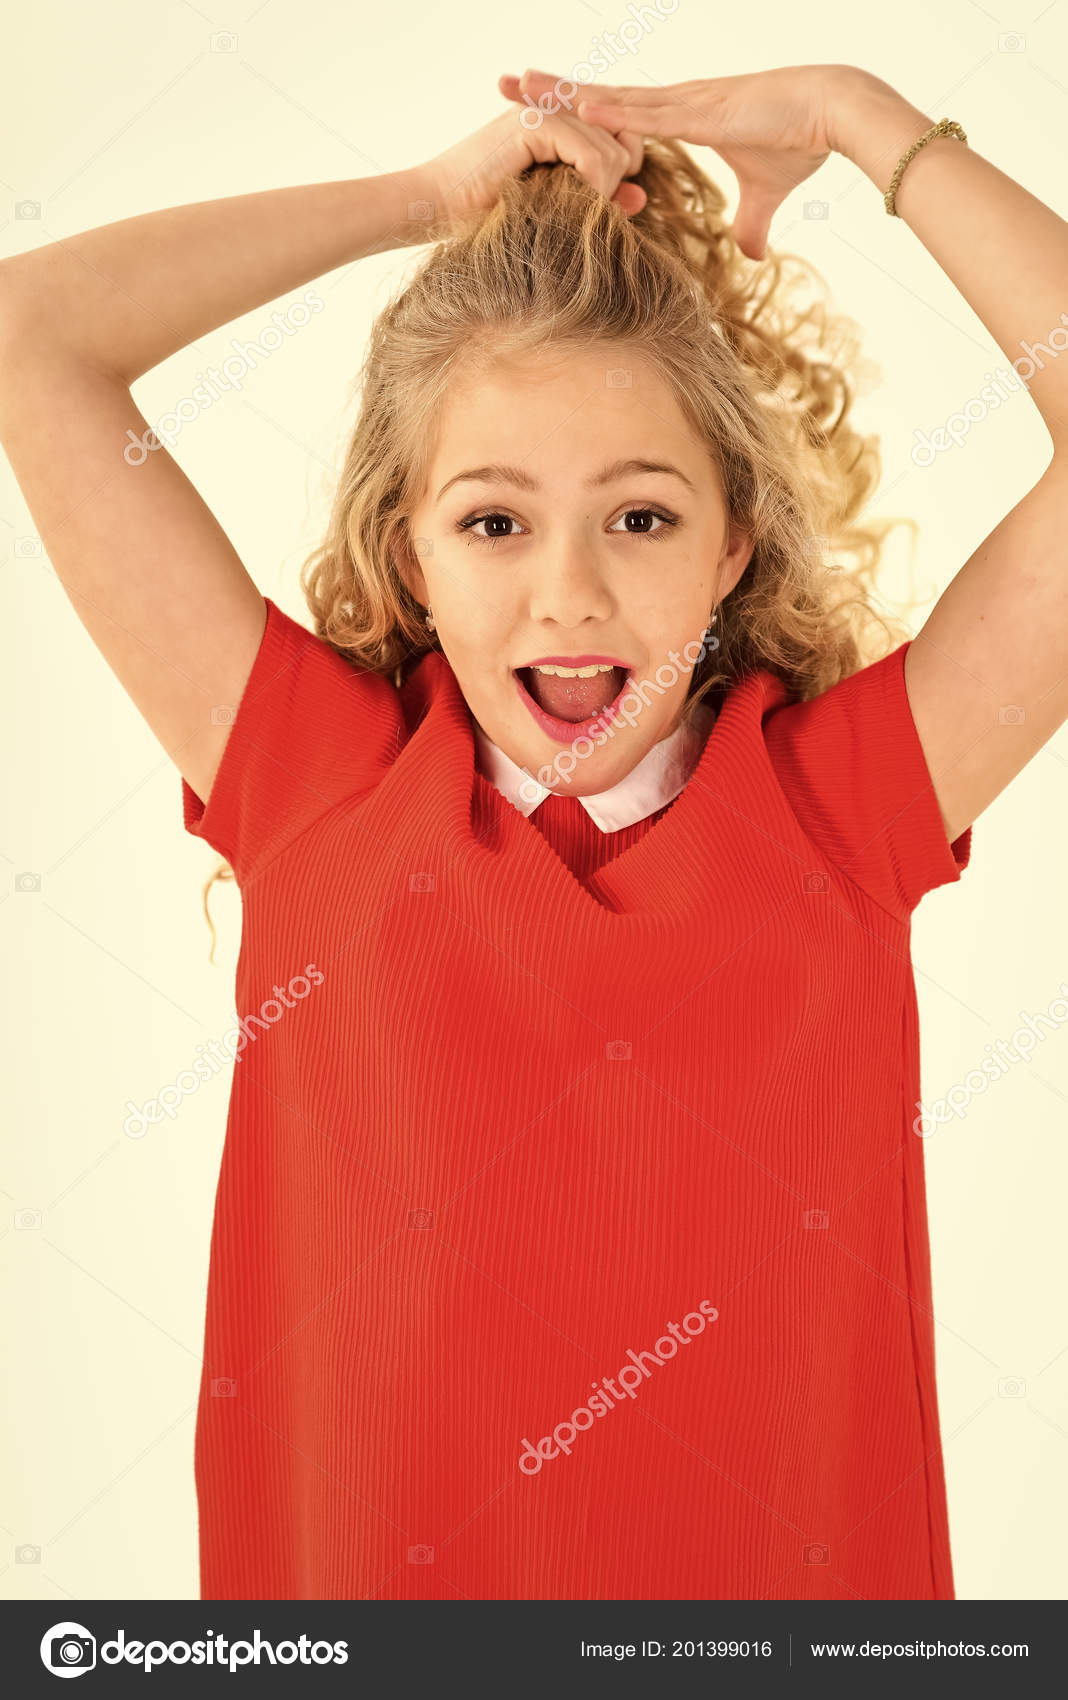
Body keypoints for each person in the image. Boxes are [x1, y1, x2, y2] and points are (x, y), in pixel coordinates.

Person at [1, 61, 1064, 1602]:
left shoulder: (845, 809)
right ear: (411, 557)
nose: (569, 593)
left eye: (641, 517)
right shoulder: (312, 787)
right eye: (494, 521)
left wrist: (857, 117)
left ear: (733, 547)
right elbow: (32, 332)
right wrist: (418, 202)